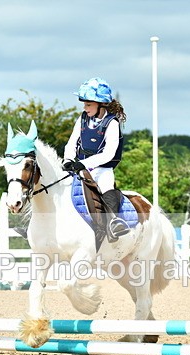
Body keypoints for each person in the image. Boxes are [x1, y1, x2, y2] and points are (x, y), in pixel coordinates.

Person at [62, 77, 130, 242]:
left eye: (88, 105)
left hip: (102, 169)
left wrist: (83, 164)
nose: (85, 108)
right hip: (79, 168)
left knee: (106, 186)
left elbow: (108, 154)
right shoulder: (82, 119)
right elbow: (72, 142)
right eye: (84, 104)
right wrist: (68, 160)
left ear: (101, 104)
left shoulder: (112, 123)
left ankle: (114, 222)